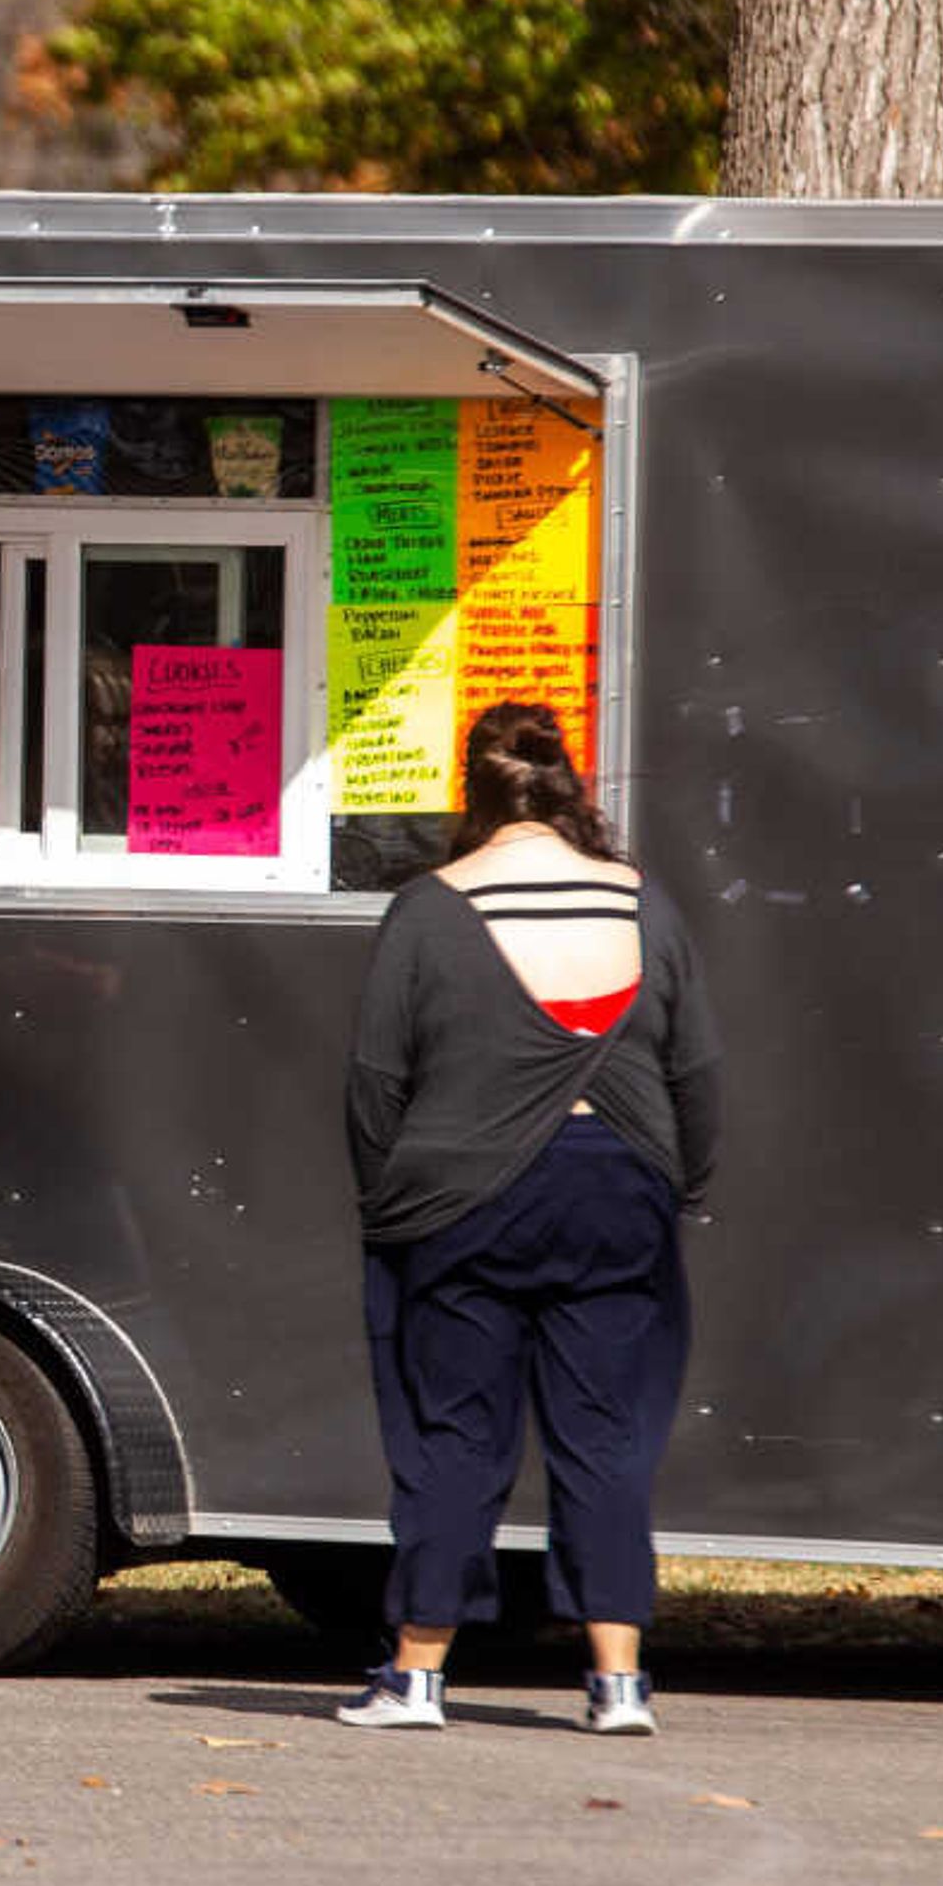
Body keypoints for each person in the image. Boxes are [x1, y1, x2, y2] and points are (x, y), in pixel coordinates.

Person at [337, 702, 717, 1735]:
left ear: (473, 791)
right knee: (603, 1436)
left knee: (456, 1433)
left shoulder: (428, 908)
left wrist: (391, 1203)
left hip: (464, 1200)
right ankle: (619, 1683)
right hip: (619, 1190)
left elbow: (375, 1082)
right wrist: (684, 1182)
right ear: (568, 785)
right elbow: (696, 1070)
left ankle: (415, 1677)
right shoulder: (644, 901)